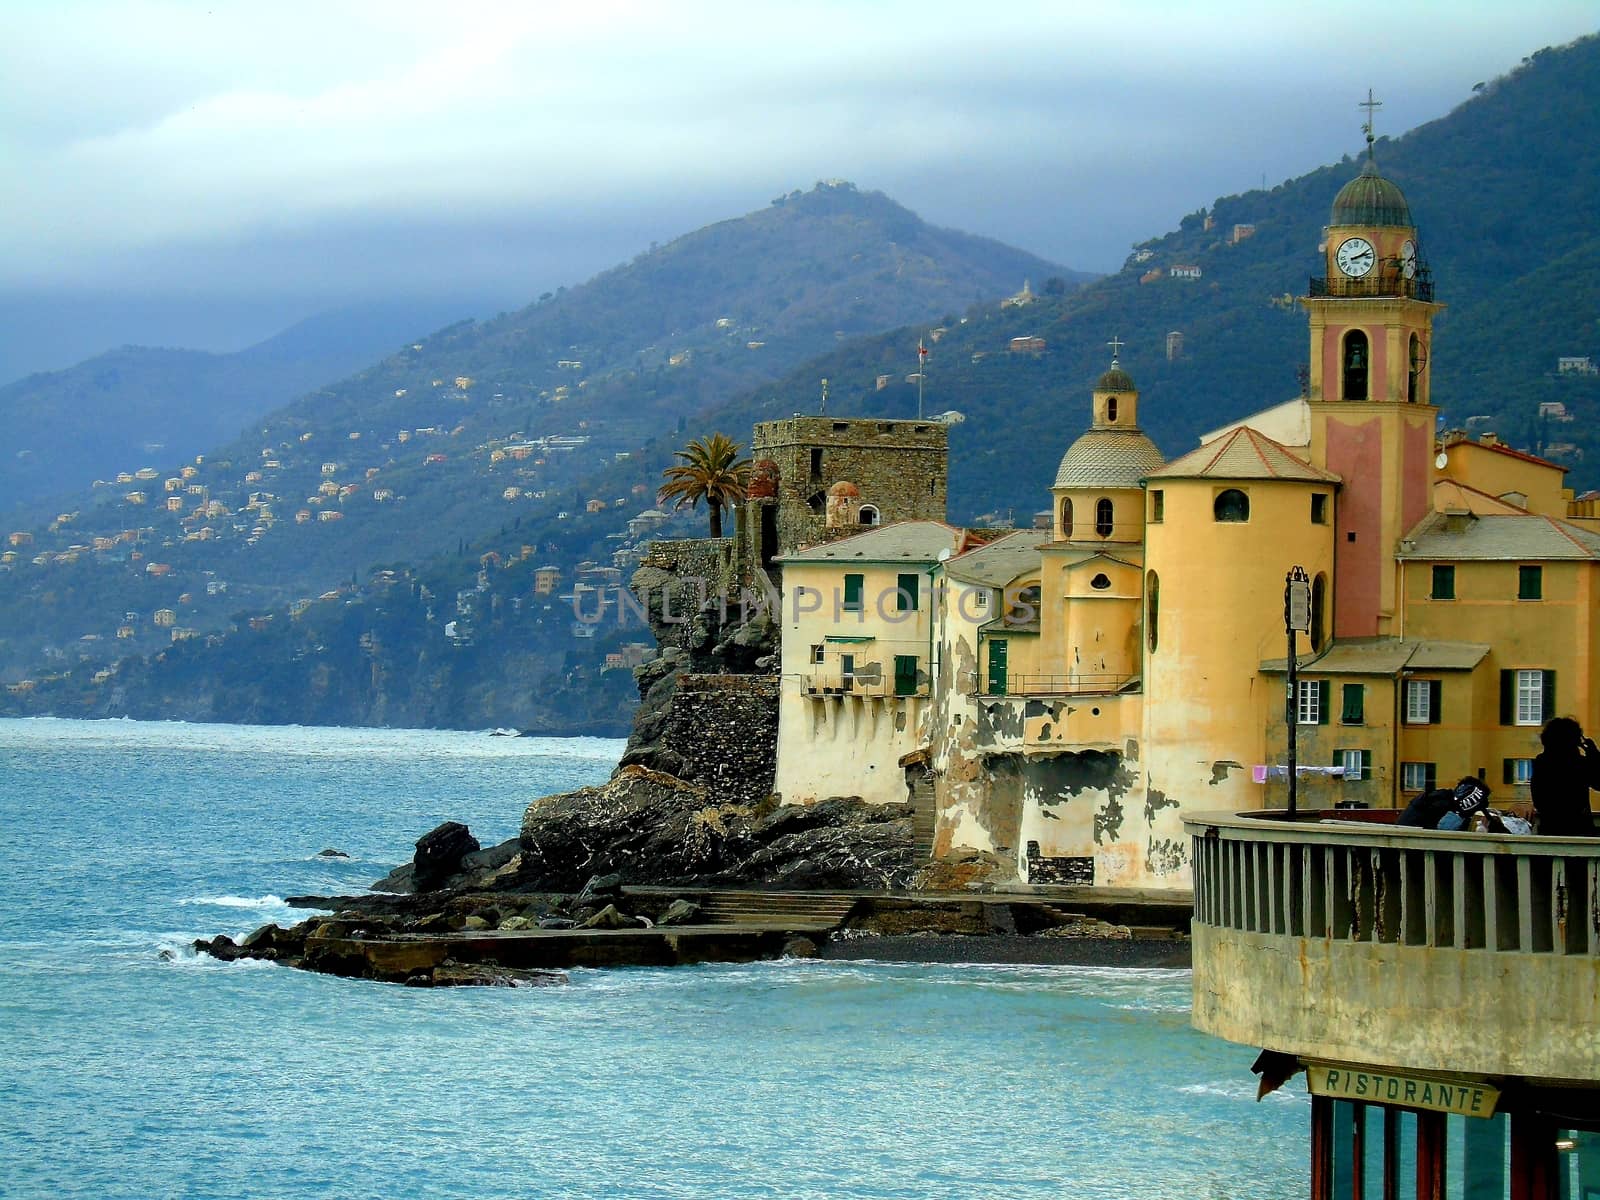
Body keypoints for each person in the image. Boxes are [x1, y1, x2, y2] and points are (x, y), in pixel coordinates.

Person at [1530, 717, 1600, 836]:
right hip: (1579, 830)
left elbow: (1539, 801)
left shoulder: (1541, 762)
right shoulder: (1579, 764)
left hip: (1550, 830)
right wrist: (1594, 754)